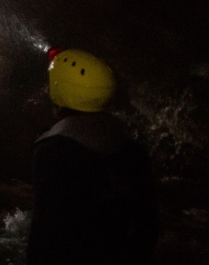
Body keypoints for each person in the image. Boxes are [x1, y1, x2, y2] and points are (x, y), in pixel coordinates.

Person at [27, 49, 158, 264]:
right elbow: (148, 227)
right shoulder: (133, 151)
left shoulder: (51, 152)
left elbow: (45, 233)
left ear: (59, 90)